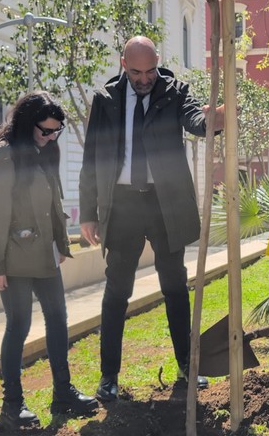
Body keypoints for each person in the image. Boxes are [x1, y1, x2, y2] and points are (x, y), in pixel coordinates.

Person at [79, 36, 225, 401]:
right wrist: (89, 213)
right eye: (136, 72)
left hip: (164, 205)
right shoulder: (106, 99)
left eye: (150, 71)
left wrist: (212, 119)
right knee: (117, 293)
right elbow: (91, 158)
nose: (144, 80)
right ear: (123, 64)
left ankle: (187, 368)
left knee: (175, 287)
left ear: (158, 62)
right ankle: (108, 377)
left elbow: (195, 121)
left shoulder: (175, 92)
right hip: (123, 205)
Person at [0, 92, 98, 430]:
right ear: (25, 123)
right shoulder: (5, 156)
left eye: (55, 131)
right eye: (44, 131)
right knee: (18, 326)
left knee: (58, 319)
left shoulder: (45, 151)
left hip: (44, 255)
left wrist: (61, 244)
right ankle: (11, 406)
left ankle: (63, 392)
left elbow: (51, 204)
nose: (50, 137)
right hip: (14, 258)